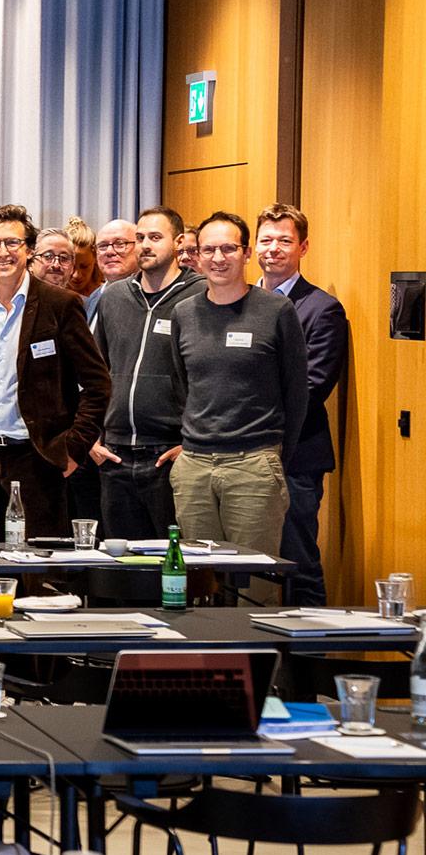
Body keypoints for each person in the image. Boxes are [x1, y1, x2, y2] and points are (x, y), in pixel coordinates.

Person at [0, 205, 110, 540]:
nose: (3, 252)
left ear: (29, 250)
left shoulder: (60, 304)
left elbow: (98, 385)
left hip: (38, 460)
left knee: (39, 576)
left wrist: (73, 448)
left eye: (13, 243)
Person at [167, 212, 308, 558]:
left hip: (253, 465)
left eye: (228, 248)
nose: (218, 258)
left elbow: (297, 394)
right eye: (209, 249)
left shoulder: (277, 310)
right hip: (194, 468)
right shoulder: (183, 314)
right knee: (200, 582)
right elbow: (181, 384)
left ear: (246, 253)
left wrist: (271, 458)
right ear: (196, 256)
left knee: (254, 583)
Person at [90, 205, 204, 541]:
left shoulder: (199, 296)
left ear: (178, 242)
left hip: (168, 457)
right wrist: (91, 439)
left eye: (155, 237)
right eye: (139, 238)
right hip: (114, 456)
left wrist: (189, 444)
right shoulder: (114, 296)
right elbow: (96, 375)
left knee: (173, 568)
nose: (145, 245)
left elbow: (206, 379)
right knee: (123, 570)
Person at [255, 203, 349, 605]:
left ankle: (309, 663)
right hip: (235, 458)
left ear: (303, 247)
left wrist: (244, 415)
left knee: (298, 564)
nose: (273, 249)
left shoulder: (322, 309)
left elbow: (311, 388)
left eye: (284, 241)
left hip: (295, 460)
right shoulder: (237, 302)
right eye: (265, 240)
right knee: (243, 566)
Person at [88, 219, 140, 325]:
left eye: (119, 244)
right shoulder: (92, 299)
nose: (109, 252)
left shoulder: (150, 298)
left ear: (139, 246)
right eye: (103, 246)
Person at [65, 217, 100, 298]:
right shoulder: (52, 296)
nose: (77, 275)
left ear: (96, 258)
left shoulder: (106, 294)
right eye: (71, 267)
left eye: (84, 266)